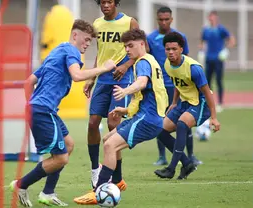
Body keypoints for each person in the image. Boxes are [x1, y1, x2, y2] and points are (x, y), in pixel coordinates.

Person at [9, 19, 116, 207]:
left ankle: (48, 193)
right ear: (75, 35)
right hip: (43, 110)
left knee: (68, 144)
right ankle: (21, 184)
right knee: (61, 157)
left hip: (42, 109)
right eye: (86, 39)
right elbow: (76, 76)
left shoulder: (57, 51)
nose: (87, 44)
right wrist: (104, 68)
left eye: (90, 41)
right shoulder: (71, 51)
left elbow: (29, 82)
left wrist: (30, 106)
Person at [74, 28, 168, 205]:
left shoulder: (142, 62)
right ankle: (117, 180)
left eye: (130, 46)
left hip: (148, 119)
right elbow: (147, 95)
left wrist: (125, 90)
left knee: (110, 145)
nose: (127, 50)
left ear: (142, 44)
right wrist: (124, 111)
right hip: (146, 116)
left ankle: (98, 191)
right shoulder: (150, 60)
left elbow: (142, 83)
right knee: (108, 138)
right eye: (125, 47)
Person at [84, 0, 139, 190]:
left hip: (122, 81)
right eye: (103, 2)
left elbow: (141, 50)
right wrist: (91, 77)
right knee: (92, 123)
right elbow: (100, 54)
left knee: (113, 123)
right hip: (102, 81)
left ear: (116, 3)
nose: (105, 5)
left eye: (109, 1)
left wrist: (125, 66)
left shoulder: (129, 22)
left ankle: (117, 178)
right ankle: (94, 170)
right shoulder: (97, 24)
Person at [154, 31, 221, 180]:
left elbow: (208, 93)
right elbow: (179, 82)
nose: (170, 52)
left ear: (181, 49)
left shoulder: (194, 68)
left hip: (200, 102)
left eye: (174, 49)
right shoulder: (167, 64)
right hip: (184, 102)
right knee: (159, 130)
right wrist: (174, 103)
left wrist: (214, 118)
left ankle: (171, 168)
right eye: (168, 49)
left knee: (182, 124)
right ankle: (187, 163)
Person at [147, 6, 202, 166]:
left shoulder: (180, 37)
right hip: (159, 86)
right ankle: (162, 156)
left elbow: (186, 60)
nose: (164, 22)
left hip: (178, 86)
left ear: (171, 19)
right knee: (160, 121)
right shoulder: (151, 38)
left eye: (167, 19)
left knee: (184, 121)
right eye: (161, 19)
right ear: (157, 20)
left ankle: (191, 155)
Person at [199, 10, 236, 113]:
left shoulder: (221, 29)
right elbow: (202, 42)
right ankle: (208, 102)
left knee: (219, 81)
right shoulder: (206, 30)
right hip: (208, 59)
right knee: (207, 82)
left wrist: (226, 50)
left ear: (217, 18)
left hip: (218, 60)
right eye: (210, 17)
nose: (212, 19)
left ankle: (220, 103)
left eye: (213, 17)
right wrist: (201, 51)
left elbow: (232, 39)